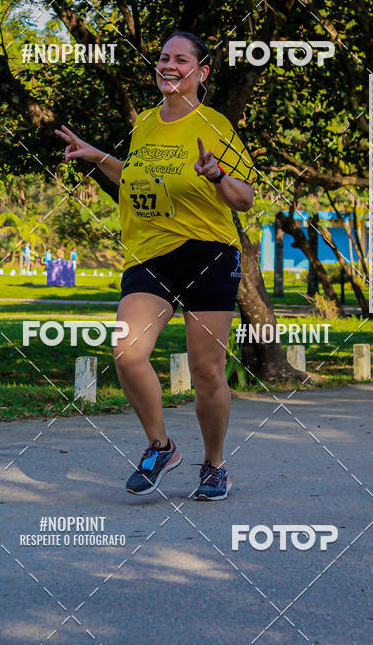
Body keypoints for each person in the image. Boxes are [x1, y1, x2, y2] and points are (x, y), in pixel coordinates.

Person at [55, 32, 256, 500]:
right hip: (150, 254)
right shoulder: (146, 123)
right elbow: (136, 178)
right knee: (127, 352)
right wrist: (97, 155)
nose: (168, 65)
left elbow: (244, 199)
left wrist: (218, 175)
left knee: (207, 371)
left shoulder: (215, 125)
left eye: (180, 59)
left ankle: (214, 464)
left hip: (208, 253)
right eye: (163, 57)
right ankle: (160, 446)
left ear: (200, 73)